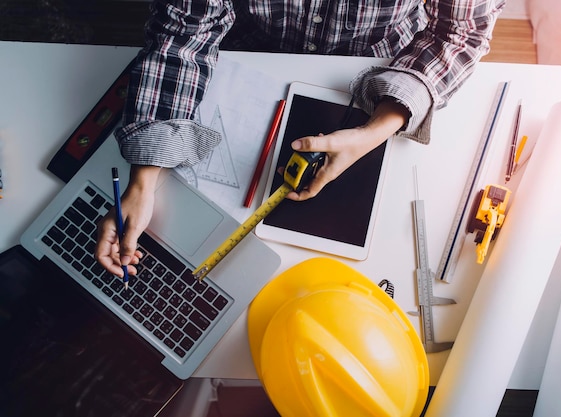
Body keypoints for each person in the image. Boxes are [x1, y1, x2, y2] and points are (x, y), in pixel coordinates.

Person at [95, 0, 506, 277]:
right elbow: (186, 26)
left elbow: (459, 34)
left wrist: (377, 128)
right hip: (252, 47)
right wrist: (144, 181)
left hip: (379, 63)